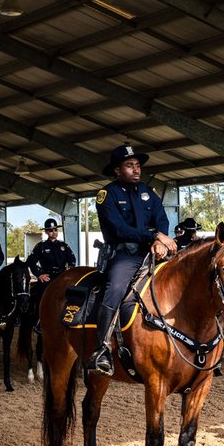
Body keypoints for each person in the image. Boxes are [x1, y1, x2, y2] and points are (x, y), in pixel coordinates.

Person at [90, 144, 176, 376]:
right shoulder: (107, 195)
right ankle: (102, 350)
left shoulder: (149, 192)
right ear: (117, 170)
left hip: (154, 251)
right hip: (124, 255)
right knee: (115, 288)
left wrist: (160, 241)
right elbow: (119, 229)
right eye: (130, 166)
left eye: (137, 165)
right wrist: (154, 236)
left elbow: (161, 220)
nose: (136, 170)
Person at [26, 218, 76, 311]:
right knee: (41, 297)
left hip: (62, 276)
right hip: (47, 277)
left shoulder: (64, 246)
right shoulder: (40, 246)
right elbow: (31, 262)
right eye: (51, 230)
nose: (54, 232)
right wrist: (39, 275)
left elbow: (72, 259)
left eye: (56, 230)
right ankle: (39, 319)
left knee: (74, 294)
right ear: (46, 232)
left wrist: (70, 268)